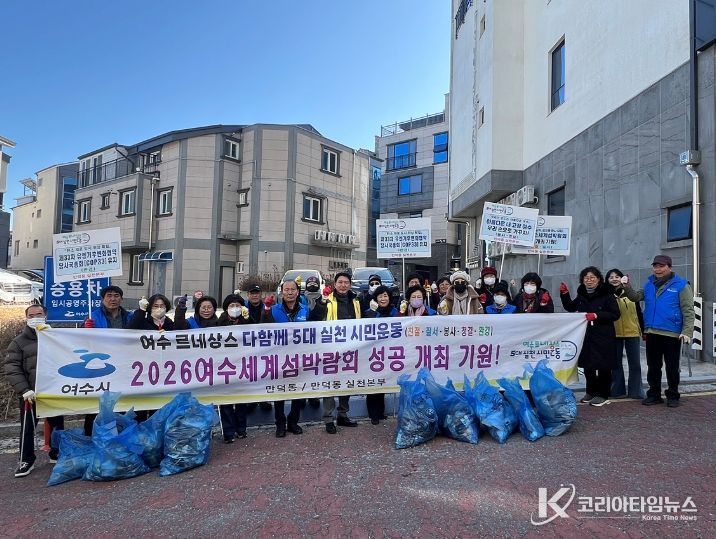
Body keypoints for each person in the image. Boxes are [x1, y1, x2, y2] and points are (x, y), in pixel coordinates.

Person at [622, 255, 694, 408]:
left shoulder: (681, 285)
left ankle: (673, 395)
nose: (658, 269)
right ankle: (654, 394)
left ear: (670, 267)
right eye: (655, 266)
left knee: (672, 367)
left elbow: (688, 310)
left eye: (661, 266)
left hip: (672, 333)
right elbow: (635, 297)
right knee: (653, 366)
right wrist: (627, 286)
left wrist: (687, 331)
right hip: (652, 332)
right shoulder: (649, 284)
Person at [4, 304, 64, 477]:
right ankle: (26, 460)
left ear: (46, 316)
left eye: (39, 314)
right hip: (30, 393)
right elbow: (12, 368)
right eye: (31, 315)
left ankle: (56, 453)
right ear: (26, 318)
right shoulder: (18, 342)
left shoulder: (56, 337)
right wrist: (24, 389)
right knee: (28, 428)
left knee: (57, 424)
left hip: (53, 391)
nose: (35, 318)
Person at [262, 279, 324, 436]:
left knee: (298, 391)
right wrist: (266, 310)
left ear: (298, 292)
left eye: (292, 289)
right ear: (281, 292)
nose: (289, 292)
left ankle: (293, 422)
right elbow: (263, 329)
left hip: (300, 357)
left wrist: (323, 302)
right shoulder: (273, 310)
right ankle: (280, 424)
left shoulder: (305, 309)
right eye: (286, 289)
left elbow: (316, 326)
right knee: (279, 392)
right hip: (279, 357)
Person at [560, 267, 621, 407]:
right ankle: (591, 391)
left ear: (598, 279)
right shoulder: (582, 294)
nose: (589, 280)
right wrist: (564, 294)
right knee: (588, 365)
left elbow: (615, 314)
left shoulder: (607, 293)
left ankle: (603, 394)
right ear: (582, 280)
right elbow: (570, 307)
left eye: (592, 277)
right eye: (586, 278)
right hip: (586, 335)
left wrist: (597, 315)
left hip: (603, 335)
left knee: (604, 366)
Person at [82, 285, 134, 435]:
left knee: (122, 401)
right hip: (101, 366)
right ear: (102, 299)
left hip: (124, 364)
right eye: (109, 296)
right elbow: (81, 340)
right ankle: (91, 436)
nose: (113, 299)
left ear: (121, 299)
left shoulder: (129, 317)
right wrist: (85, 328)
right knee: (97, 403)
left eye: (116, 296)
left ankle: (121, 435)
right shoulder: (93, 316)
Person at [315, 271, 361, 434]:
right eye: (340, 282)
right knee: (330, 383)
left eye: (346, 282)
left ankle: (343, 414)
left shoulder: (356, 300)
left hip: (350, 347)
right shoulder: (326, 299)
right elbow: (315, 318)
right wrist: (322, 301)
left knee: (346, 382)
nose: (343, 285)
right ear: (335, 284)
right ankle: (329, 419)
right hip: (331, 348)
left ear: (350, 284)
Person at [216, 293, 251, 442]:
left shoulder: (247, 321)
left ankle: (241, 429)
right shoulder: (219, 323)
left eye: (238, 305)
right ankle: (229, 432)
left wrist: (248, 320)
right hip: (225, 366)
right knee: (226, 401)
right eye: (232, 305)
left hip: (242, 365)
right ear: (226, 308)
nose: (235, 308)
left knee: (242, 399)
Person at [606, 269, 645, 400]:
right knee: (615, 364)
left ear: (622, 278)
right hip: (613, 333)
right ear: (607, 280)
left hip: (632, 331)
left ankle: (636, 391)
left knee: (635, 364)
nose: (614, 279)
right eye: (611, 277)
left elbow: (639, 312)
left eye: (617, 276)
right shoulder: (606, 295)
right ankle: (617, 391)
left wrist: (643, 330)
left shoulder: (630, 293)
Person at [362, 285, 398, 425]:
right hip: (374, 353)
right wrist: (372, 312)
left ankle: (381, 412)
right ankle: (373, 414)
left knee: (384, 381)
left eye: (385, 295)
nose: (383, 299)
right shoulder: (369, 312)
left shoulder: (395, 312)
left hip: (390, 351)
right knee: (373, 383)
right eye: (380, 296)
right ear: (375, 298)